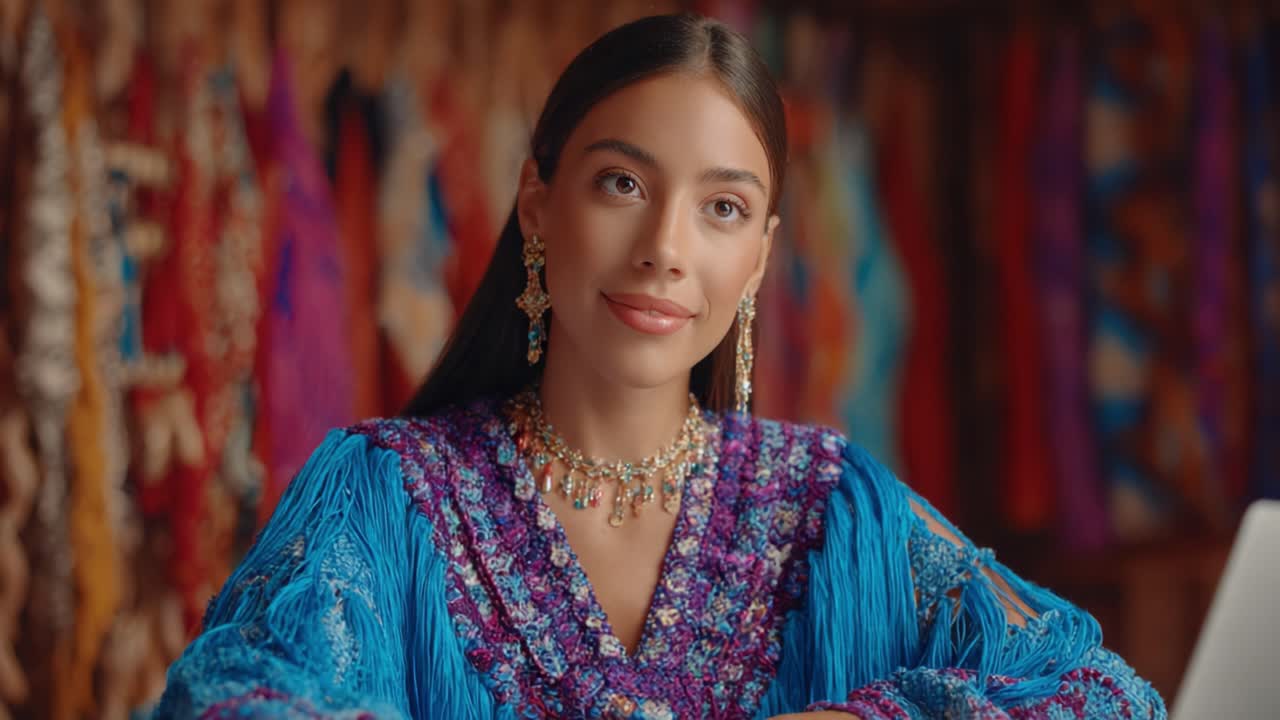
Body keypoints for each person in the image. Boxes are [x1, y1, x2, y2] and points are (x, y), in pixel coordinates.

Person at [153, 13, 1166, 720]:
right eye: (621, 183)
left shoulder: (826, 509)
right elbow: (235, 699)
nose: (664, 248)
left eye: (721, 207)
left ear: (761, 255)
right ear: (536, 203)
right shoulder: (383, 494)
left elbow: (1105, 697)